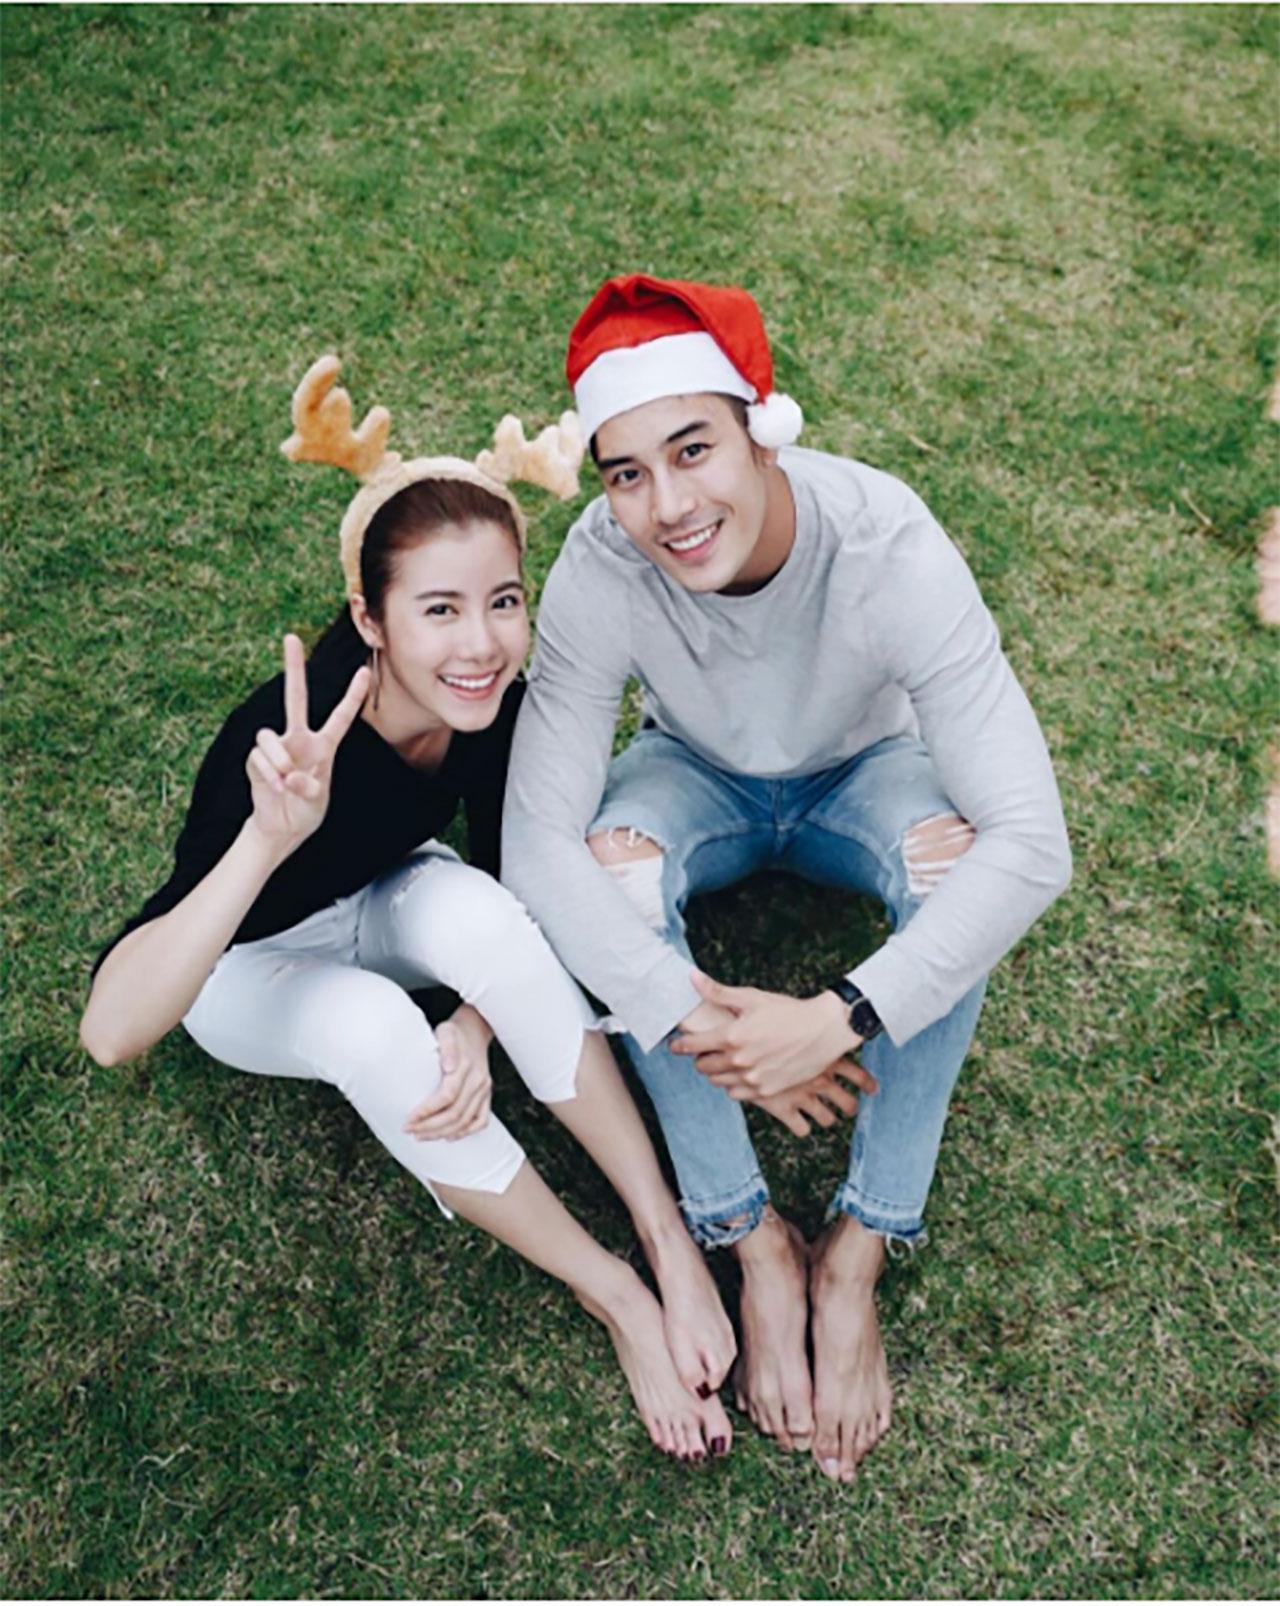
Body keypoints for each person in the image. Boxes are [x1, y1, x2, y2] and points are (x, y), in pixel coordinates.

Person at [79, 355, 737, 1461]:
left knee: (489, 929)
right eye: (438, 610)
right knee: (384, 1031)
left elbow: (522, 880)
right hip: (246, 966)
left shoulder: (494, 703)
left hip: (385, 894)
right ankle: (615, 1292)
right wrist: (268, 836)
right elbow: (112, 1029)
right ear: (369, 617)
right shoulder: (284, 744)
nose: (479, 645)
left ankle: (664, 1232)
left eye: (501, 602)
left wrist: (476, 1021)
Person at [502, 274, 1072, 1483]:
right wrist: (692, 1014)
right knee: (606, 874)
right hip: (689, 776)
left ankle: (858, 1245)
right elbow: (535, 844)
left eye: (692, 449)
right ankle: (749, 1237)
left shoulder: (886, 544)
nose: (667, 506)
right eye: (626, 473)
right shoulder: (599, 563)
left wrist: (835, 1018)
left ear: (760, 431)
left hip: (865, 772)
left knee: (958, 864)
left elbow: (1032, 841)